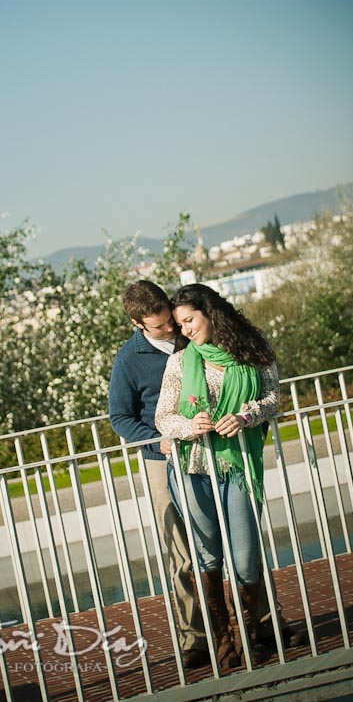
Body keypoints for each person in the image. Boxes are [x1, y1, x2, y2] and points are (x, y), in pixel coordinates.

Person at [155, 283, 290, 671]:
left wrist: (246, 416)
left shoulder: (254, 352)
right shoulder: (181, 362)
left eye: (189, 320)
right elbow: (163, 416)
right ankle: (224, 640)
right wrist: (187, 424)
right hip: (193, 469)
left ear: (211, 313)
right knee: (207, 556)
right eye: (179, 324)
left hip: (240, 467)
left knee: (246, 559)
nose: (185, 330)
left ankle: (251, 634)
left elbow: (272, 398)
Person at [109, 280, 209, 669]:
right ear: (138, 323)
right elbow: (120, 417)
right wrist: (158, 439)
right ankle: (194, 639)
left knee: (234, 540)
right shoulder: (128, 360)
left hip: (209, 450)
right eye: (161, 326)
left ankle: (263, 622)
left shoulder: (191, 335)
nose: (172, 329)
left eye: (171, 319)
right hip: (162, 458)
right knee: (180, 552)